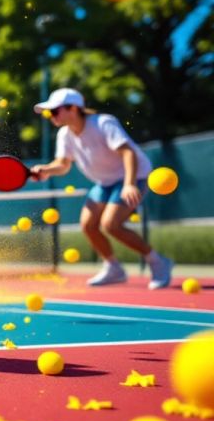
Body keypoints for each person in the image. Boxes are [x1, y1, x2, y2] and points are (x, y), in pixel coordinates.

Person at [30, 88, 172, 289]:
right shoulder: (64, 134)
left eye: (54, 111)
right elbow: (62, 164)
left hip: (134, 176)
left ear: (73, 108)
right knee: (88, 225)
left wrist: (129, 184)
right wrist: (46, 170)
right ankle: (114, 268)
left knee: (110, 224)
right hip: (105, 182)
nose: (50, 116)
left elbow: (127, 152)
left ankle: (158, 262)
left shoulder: (103, 123)